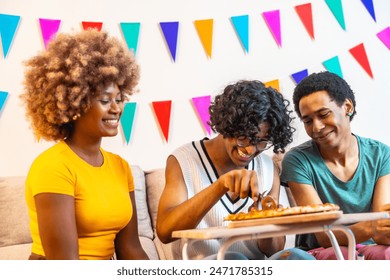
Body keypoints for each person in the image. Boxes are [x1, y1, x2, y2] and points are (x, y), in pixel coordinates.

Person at [20, 29, 149, 260]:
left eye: (119, 99)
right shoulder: (53, 167)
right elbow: (65, 264)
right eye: (104, 100)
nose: (116, 108)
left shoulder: (120, 167)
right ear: (75, 102)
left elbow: (131, 249)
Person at [156, 80, 315, 260]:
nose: (250, 150)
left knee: (298, 257)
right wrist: (220, 186)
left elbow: (274, 249)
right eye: (244, 138)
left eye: (262, 142)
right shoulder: (184, 160)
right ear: (228, 125)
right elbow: (165, 231)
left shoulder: (268, 168)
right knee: (233, 259)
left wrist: (264, 222)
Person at [281, 71, 390, 260]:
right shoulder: (297, 160)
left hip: (373, 247)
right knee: (342, 255)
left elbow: (383, 228)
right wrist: (373, 226)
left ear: (347, 106)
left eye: (323, 114)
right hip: (323, 250)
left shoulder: (380, 154)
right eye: (308, 121)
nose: (317, 127)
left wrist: (378, 228)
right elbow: (325, 235)